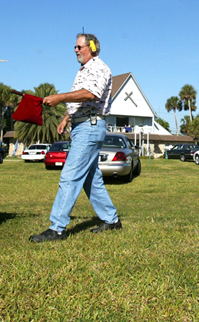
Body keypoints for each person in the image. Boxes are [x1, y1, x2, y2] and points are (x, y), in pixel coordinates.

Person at [30, 33, 122, 242]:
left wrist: (60, 97)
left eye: (79, 46)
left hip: (90, 127)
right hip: (83, 125)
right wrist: (66, 118)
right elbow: (81, 102)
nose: (76, 50)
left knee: (70, 175)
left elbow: (91, 94)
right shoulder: (84, 70)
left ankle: (57, 228)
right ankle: (111, 220)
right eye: (75, 47)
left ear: (92, 47)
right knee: (91, 178)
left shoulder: (98, 68)